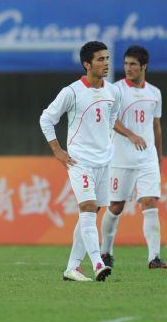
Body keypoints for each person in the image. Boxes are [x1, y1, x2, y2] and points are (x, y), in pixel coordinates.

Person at [39, 41, 121, 282]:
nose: (106, 63)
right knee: (87, 207)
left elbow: (112, 116)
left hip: (104, 161)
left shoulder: (113, 92)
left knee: (92, 211)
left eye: (107, 58)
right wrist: (57, 150)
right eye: (100, 59)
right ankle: (98, 264)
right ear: (87, 64)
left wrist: (106, 141)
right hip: (79, 161)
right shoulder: (72, 92)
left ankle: (72, 268)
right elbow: (46, 119)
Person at [99, 46, 167, 270]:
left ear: (144, 66)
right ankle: (106, 251)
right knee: (116, 206)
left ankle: (154, 257)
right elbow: (111, 119)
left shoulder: (155, 93)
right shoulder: (116, 90)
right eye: (126, 64)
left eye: (133, 64)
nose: (128, 68)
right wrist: (130, 134)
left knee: (150, 202)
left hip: (147, 158)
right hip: (121, 158)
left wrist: (159, 155)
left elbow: (156, 125)